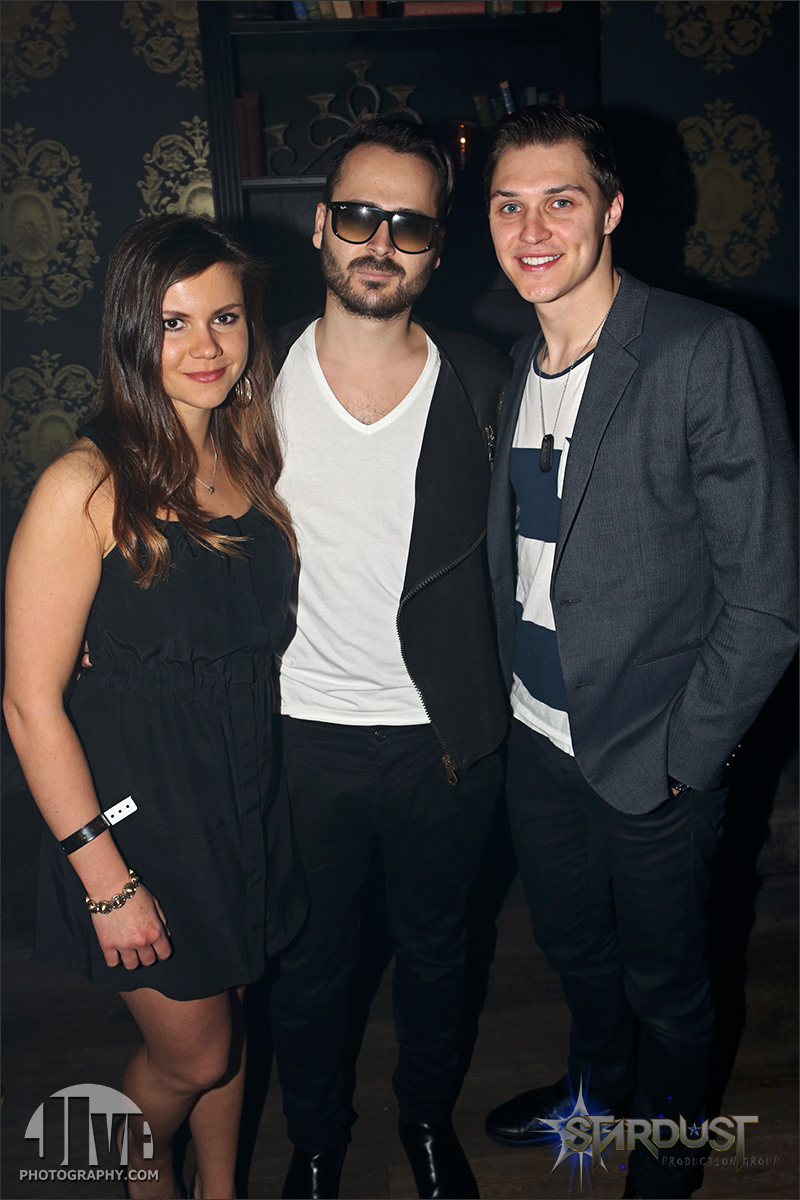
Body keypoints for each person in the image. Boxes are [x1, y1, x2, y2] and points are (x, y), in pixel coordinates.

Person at [481, 106, 798, 1199]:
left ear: (610, 210)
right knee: (574, 951)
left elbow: (767, 597)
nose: (531, 230)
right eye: (508, 205)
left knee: (669, 986)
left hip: (650, 751)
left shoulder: (702, 350)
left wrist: (683, 757)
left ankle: (665, 1158)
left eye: (559, 200)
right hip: (535, 739)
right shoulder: (513, 364)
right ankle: (596, 1096)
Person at [3, 214, 306, 1200]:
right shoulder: (84, 485)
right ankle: (143, 1179)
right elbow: (29, 704)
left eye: (225, 317)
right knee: (193, 1052)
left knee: (228, 1020)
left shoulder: (248, 463)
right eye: (175, 323)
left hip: (239, 799)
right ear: (134, 331)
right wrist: (106, 881)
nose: (206, 346)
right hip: (137, 823)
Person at [269, 117, 509, 1200]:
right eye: (360, 216)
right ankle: (315, 1143)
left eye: (408, 225)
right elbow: (151, 497)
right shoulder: (247, 372)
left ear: (438, 248)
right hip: (295, 734)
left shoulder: (484, 380)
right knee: (309, 964)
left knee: (437, 953)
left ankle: (423, 1120)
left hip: (440, 740)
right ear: (322, 224)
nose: (380, 242)